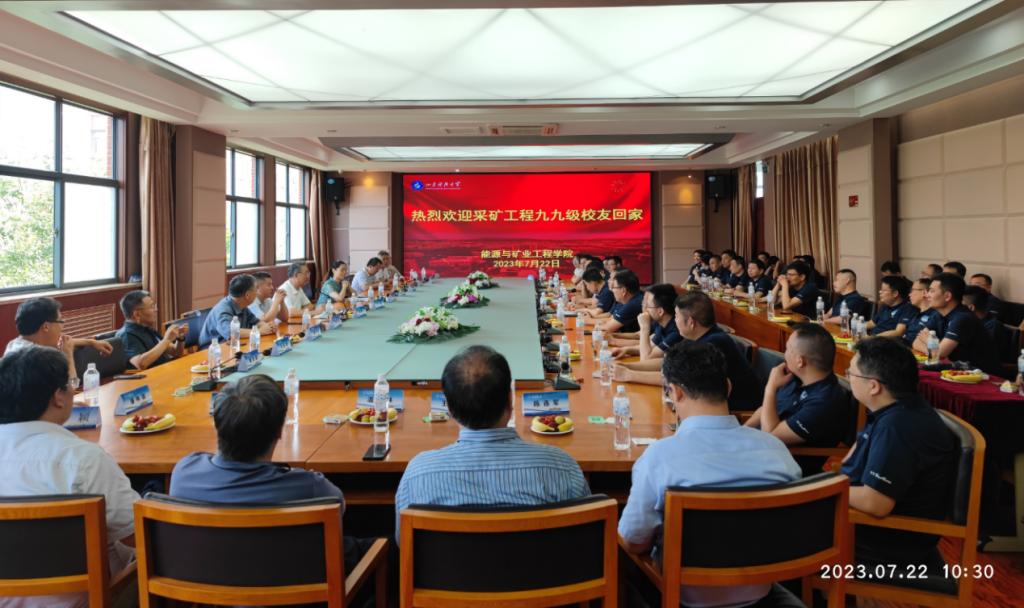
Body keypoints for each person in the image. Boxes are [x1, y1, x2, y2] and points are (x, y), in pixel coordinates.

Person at [618, 342, 801, 608]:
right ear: (728, 387)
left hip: (681, 597)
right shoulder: (776, 451)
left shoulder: (659, 457)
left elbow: (634, 541)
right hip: (761, 591)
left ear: (676, 392)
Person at [170, 374, 372, 574]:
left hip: (206, 581)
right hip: (290, 583)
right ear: (279, 431)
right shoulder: (309, 487)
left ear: (217, 425)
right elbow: (339, 508)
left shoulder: (183, 472)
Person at [394, 346, 589, 540]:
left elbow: (403, 542)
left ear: (450, 409)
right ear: (510, 402)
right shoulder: (562, 468)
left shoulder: (418, 475)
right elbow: (586, 539)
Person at [0, 346, 138, 608]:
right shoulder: (83, 460)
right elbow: (137, 534)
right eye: (71, 385)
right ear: (58, 397)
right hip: (83, 601)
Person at [841, 337, 957, 569]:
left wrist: (822, 491)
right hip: (865, 522)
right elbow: (849, 464)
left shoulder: (898, 427)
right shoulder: (895, 408)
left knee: (782, 531)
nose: (847, 377)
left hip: (887, 542)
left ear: (874, 386)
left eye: (851, 373)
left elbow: (875, 503)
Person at [615, 292, 763, 410]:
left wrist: (630, 375)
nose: (675, 321)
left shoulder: (713, 343)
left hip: (735, 411)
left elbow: (678, 380)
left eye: (677, 316)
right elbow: (667, 362)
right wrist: (627, 366)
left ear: (691, 322)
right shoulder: (695, 336)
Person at [744, 323, 853, 448]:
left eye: (787, 349)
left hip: (781, 456)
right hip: (757, 444)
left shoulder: (825, 401)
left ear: (800, 361)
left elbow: (771, 437)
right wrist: (742, 431)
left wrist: (770, 388)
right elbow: (767, 408)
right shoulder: (795, 377)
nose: (784, 354)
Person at [4, 297, 113, 382]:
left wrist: (91, 342)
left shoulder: (15, 344)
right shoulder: (39, 360)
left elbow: (65, 342)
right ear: (46, 327)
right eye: (60, 321)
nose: (62, 327)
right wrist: (68, 356)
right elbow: (70, 388)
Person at [912, 273, 1000, 376]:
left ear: (947, 296)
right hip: (957, 370)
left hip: (981, 375)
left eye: (932, 291)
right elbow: (916, 343)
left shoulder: (962, 317)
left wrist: (928, 341)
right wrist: (933, 348)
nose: (927, 295)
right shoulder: (938, 314)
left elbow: (941, 353)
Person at [116, 289, 185, 370]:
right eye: (151, 307)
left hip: (164, 370)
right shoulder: (127, 335)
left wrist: (180, 338)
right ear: (137, 314)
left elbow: (176, 352)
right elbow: (141, 364)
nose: (156, 310)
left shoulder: (147, 328)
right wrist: (166, 340)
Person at [610, 284, 681, 361]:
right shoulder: (662, 324)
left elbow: (646, 358)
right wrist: (626, 350)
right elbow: (649, 347)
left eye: (647, 306)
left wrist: (644, 328)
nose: (644, 309)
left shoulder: (676, 332)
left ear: (660, 311)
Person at [199, 274, 272, 346]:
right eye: (256, 289)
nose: (257, 292)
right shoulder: (223, 309)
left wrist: (268, 327)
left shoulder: (242, 305)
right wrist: (258, 331)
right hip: (212, 349)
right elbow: (230, 332)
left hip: (233, 345)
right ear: (247, 295)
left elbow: (256, 322)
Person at [598, 269, 644, 333]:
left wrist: (598, 326)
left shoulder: (633, 304)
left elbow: (607, 328)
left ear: (623, 291)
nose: (612, 290)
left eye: (614, 287)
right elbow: (612, 319)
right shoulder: (630, 299)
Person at [901, 278, 937, 346]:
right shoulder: (915, 312)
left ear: (924, 292)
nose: (909, 294)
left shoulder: (935, 316)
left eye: (912, 290)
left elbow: (933, 346)